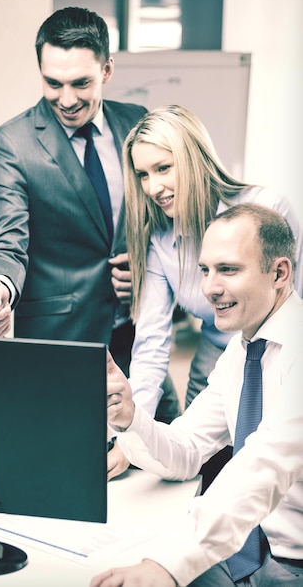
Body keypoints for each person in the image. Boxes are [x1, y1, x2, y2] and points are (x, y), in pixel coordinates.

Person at [91, 203, 303, 587]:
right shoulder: (241, 351)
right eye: (205, 270)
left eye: (229, 269)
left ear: (279, 273)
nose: (208, 287)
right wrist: (128, 416)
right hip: (239, 551)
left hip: (291, 564)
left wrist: (169, 565)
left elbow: (261, 468)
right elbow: (187, 449)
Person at [0, 7, 165, 402]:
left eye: (81, 83)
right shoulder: (11, 143)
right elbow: (7, 235)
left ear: (107, 70)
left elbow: (163, 222)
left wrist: (145, 272)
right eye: (53, 83)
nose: (67, 99)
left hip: (139, 339)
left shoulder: (138, 123)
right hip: (58, 342)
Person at [107, 105, 303, 481]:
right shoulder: (159, 239)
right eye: (143, 175)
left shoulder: (265, 211)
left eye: (163, 168)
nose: (153, 187)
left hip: (281, 349)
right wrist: (128, 431)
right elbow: (151, 344)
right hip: (221, 352)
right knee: (208, 466)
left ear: (193, 159)